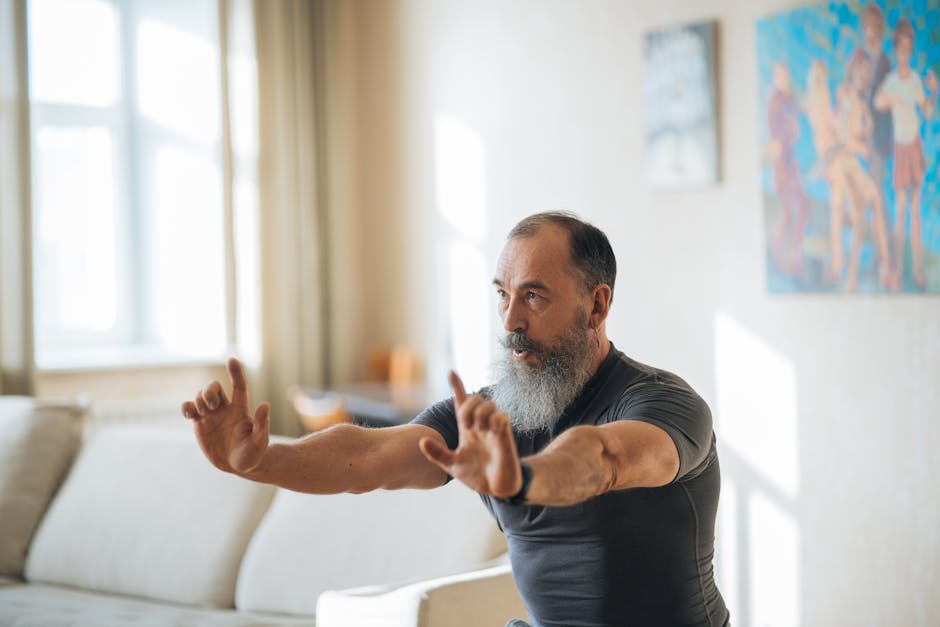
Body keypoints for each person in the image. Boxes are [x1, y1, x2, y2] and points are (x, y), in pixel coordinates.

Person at [182, 212, 730, 627]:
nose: (510, 319)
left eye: (534, 296)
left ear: (597, 306)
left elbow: (605, 458)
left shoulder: (663, 403)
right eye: (502, 294)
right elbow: (368, 457)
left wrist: (523, 479)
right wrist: (262, 461)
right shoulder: (488, 412)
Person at [875, 18, 938, 291]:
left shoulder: (913, 80)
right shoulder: (891, 81)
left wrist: (934, 91)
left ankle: (917, 270)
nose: (905, 55)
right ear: (896, 50)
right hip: (901, 149)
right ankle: (898, 268)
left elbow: (926, 113)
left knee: (914, 210)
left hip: (913, 146)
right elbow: (878, 102)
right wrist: (891, 99)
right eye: (901, 50)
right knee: (900, 211)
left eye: (908, 51)